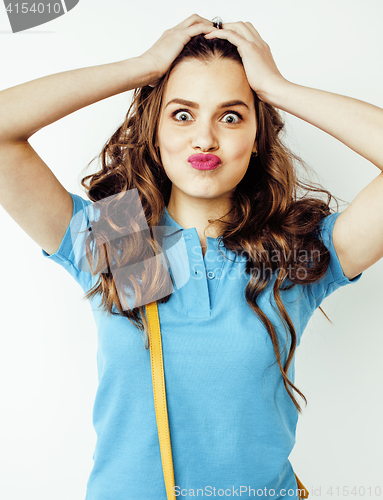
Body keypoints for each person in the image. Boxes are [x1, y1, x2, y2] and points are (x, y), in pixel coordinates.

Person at [0, 12, 382, 500]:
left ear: (257, 135)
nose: (205, 138)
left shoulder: (293, 253)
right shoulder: (124, 238)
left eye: (231, 116)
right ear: (154, 131)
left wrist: (277, 88)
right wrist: (143, 68)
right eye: (182, 114)